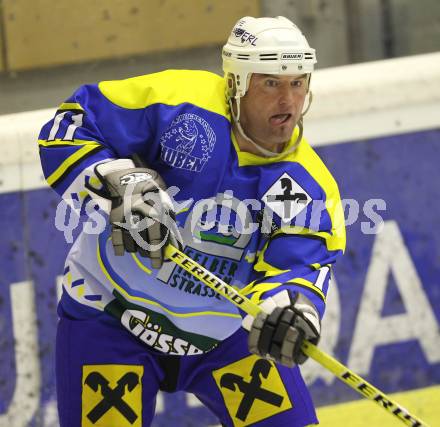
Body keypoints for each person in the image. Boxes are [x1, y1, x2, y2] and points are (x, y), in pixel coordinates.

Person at [38, 16, 346, 427]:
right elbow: (69, 127)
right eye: (271, 83)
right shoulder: (178, 104)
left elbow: (298, 269)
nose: (288, 101)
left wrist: (290, 309)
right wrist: (117, 181)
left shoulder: (307, 185)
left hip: (226, 339)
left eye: (297, 82)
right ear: (236, 83)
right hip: (111, 317)